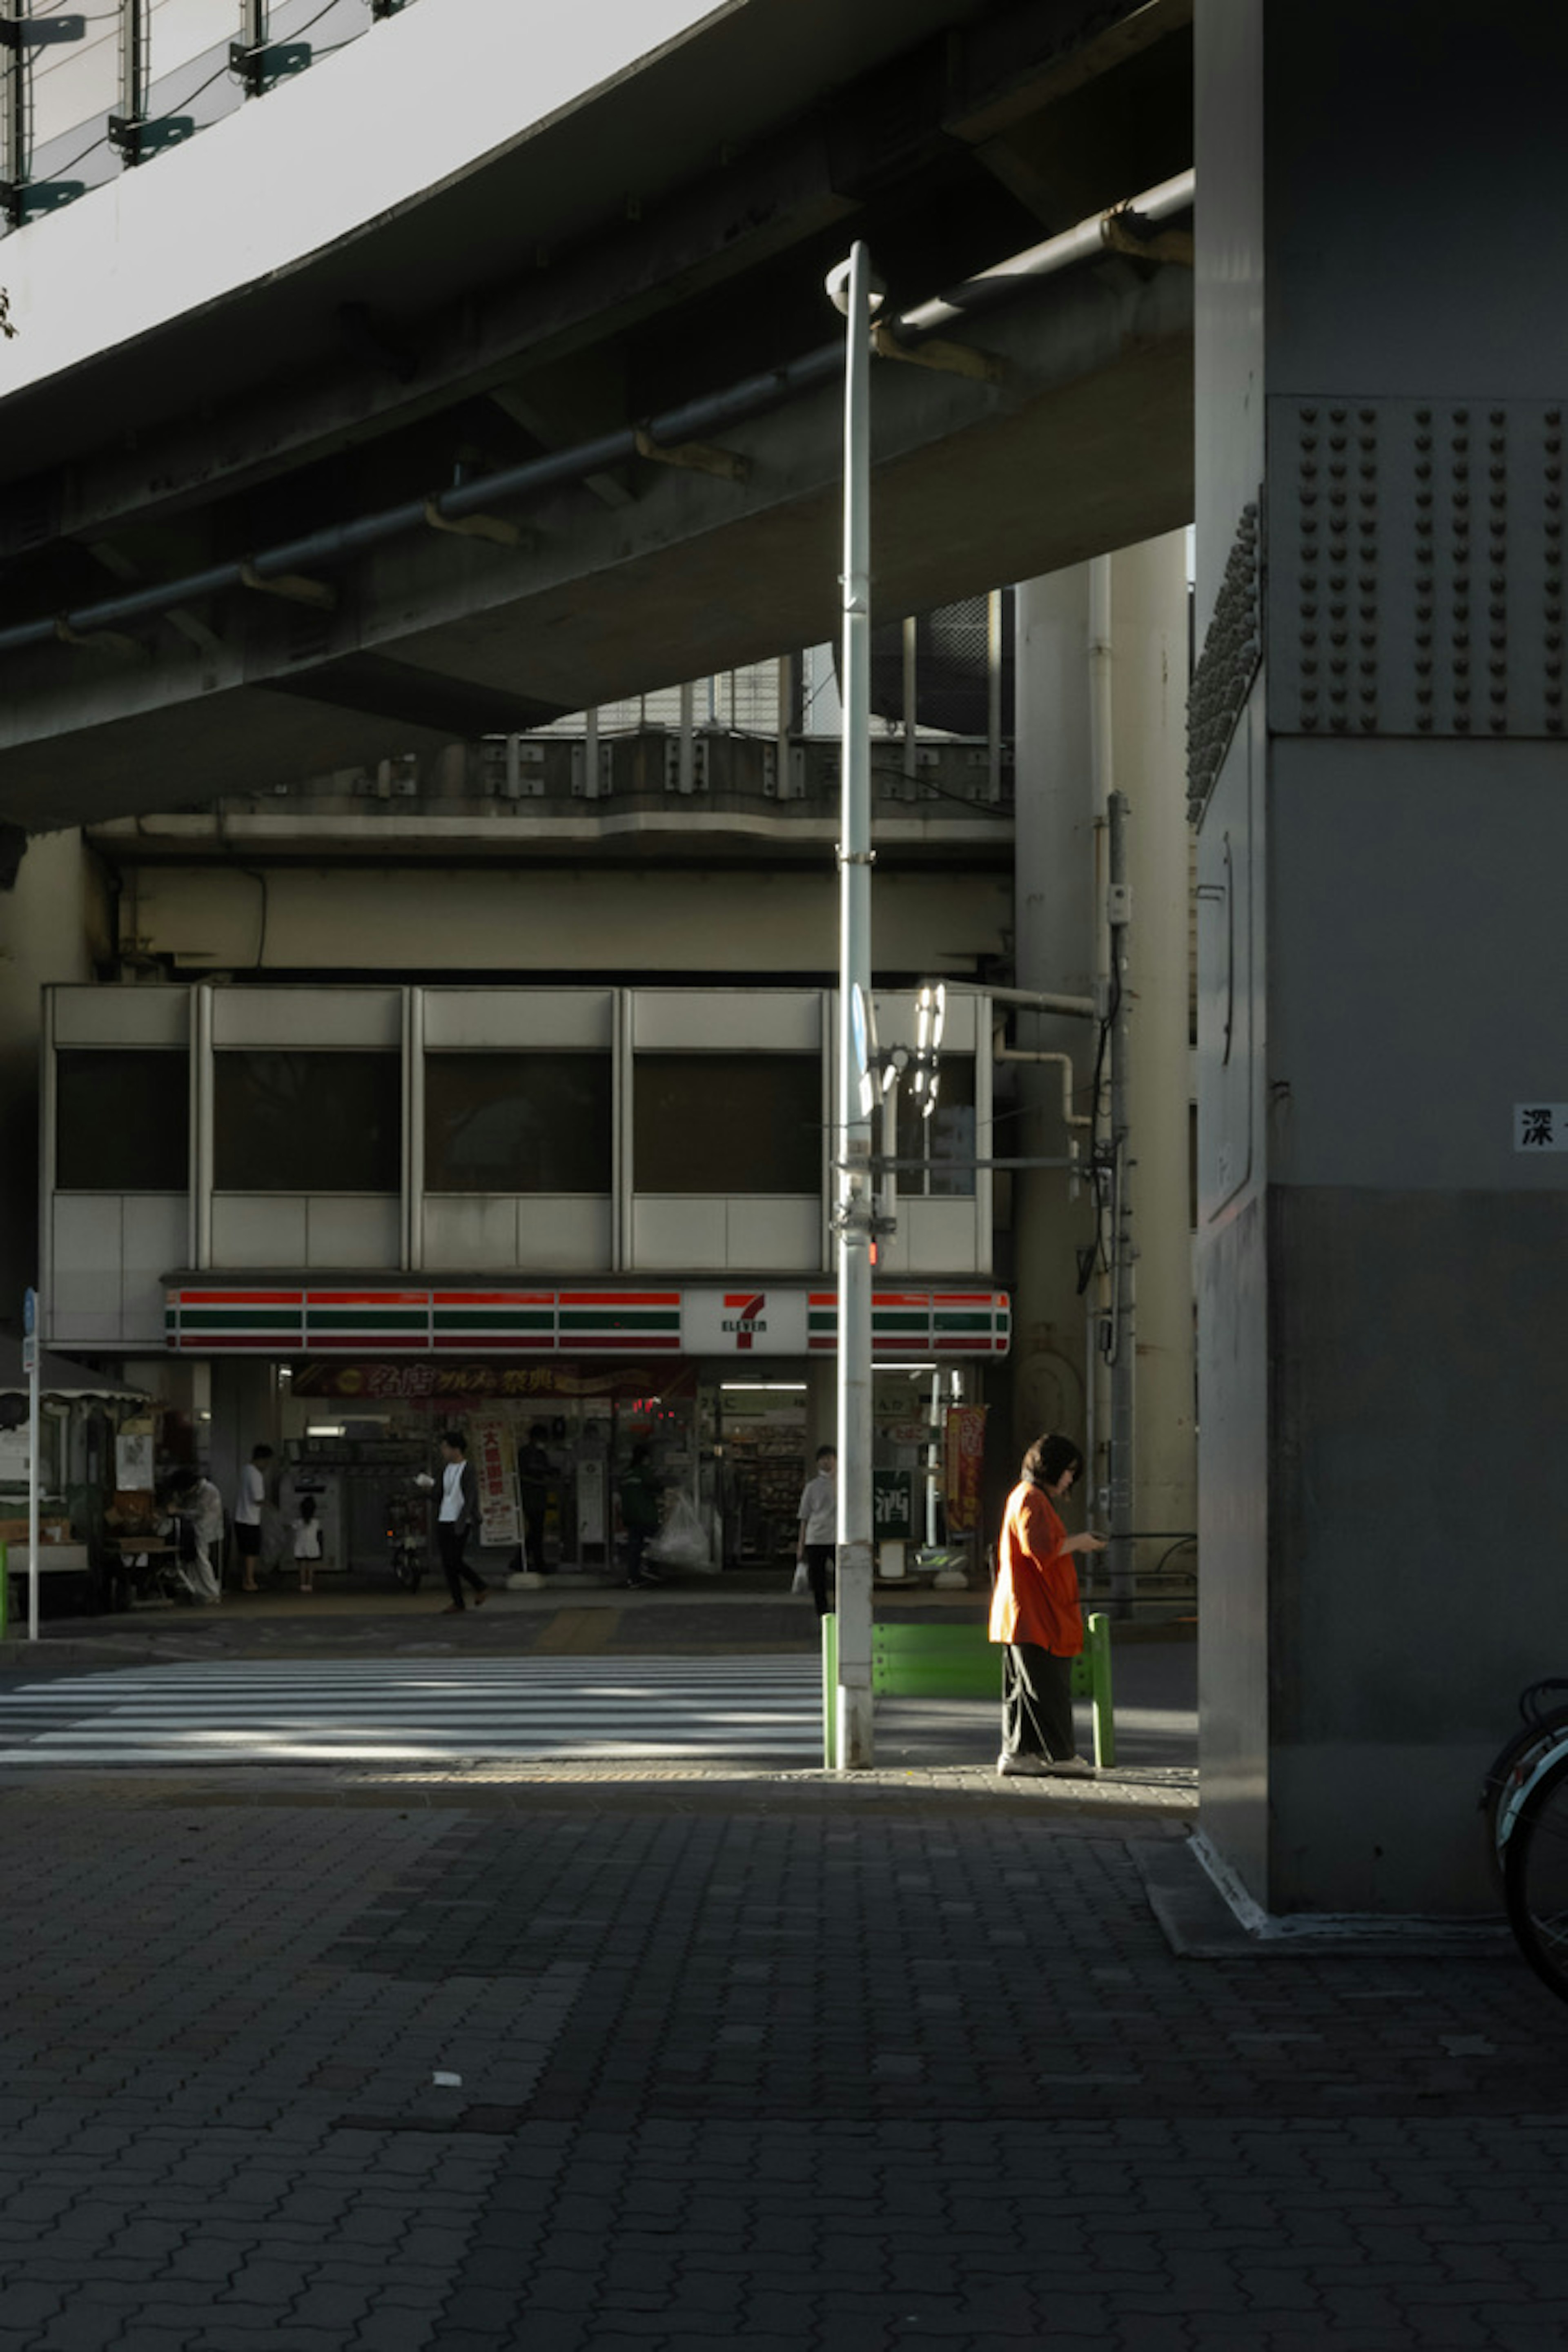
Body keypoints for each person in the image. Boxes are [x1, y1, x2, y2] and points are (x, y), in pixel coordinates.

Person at [988, 1432, 1106, 1777]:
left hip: (1021, 1613)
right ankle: (1061, 1755)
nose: (1070, 1478)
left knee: (1023, 1689)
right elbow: (1042, 1548)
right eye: (1068, 1470)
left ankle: (1018, 1753)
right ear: (1051, 1468)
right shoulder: (1032, 1500)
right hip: (1036, 1614)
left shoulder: (1023, 1496)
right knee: (1047, 1687)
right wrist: (1081, 1542)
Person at [434, 1430, 487, 1614]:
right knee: (448, 1563)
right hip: (444, 1518)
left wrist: (463, 1520)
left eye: (445, 1447)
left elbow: (470, 1497)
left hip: (460, 1520)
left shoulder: (468, 1469)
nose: (443, 1451)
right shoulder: (445, 1469)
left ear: (456, 1449)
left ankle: (480, 1585)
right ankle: (458, 1601)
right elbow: (440, 1495)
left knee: (454, 1560)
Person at [166, 1469, 225, 1604]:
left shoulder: (208, 1491)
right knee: (195, 1560)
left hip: (207, 1529)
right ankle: (201, 1591)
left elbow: (199, 1512)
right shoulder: (198, 1490)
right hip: (198, 1529)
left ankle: (212, 1592)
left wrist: (178, 1511)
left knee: (202, 1559)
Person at [795, 1444, 837, 1619]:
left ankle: (841, 1607)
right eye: (823, 1459)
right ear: (818, 1463)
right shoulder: (812, 1487)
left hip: (838, 1537)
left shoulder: (844, 1485)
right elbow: (804, 1517)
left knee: (844, 1575)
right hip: (816, 1537)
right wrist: (801, 1545)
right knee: (817, 1579)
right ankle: (823, 1612)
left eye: (830, 1458)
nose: (827, 1462)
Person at [618, 1443, 662, 1589]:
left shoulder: (627, 1474)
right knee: (658, 1540)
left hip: (630, 1515)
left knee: (635, 1547)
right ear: (645, 1458)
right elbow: (656, 1487)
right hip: (645, 1514)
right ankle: (652, 1569)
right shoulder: (644, 1472)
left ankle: (634, 1577)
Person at [234, 1442, 273, 1595]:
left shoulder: (245, 1470)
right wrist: (271, 1506)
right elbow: (258, 1499)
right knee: (252, 1552)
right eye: (268, 1462)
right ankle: (250, 1581)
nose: (268, 1465)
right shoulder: (256, 1475)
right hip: (251, 1519)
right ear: (262, 1459)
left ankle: (245, 1580)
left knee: (244, 1551)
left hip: (240, 1517)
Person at [517, 1422, 554, 1575]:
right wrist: (539, 1482)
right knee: (535, 1531)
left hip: (539, 1497)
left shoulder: (540, 1454)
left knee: (537, 1531)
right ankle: (533, 1562)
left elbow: (547, 1470)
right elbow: (521, 1475)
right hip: (530, 1497)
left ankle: (522, 1560)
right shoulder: (525, 1454)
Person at [292, 1493, 322, 1595]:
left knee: (302, 1567)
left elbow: (292, 1528)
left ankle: (302, 1585)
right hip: (312, 1546)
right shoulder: (316, 1522)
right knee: (311, 1567)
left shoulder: (298, 1522)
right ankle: (310, 1585)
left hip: (300, 1546)